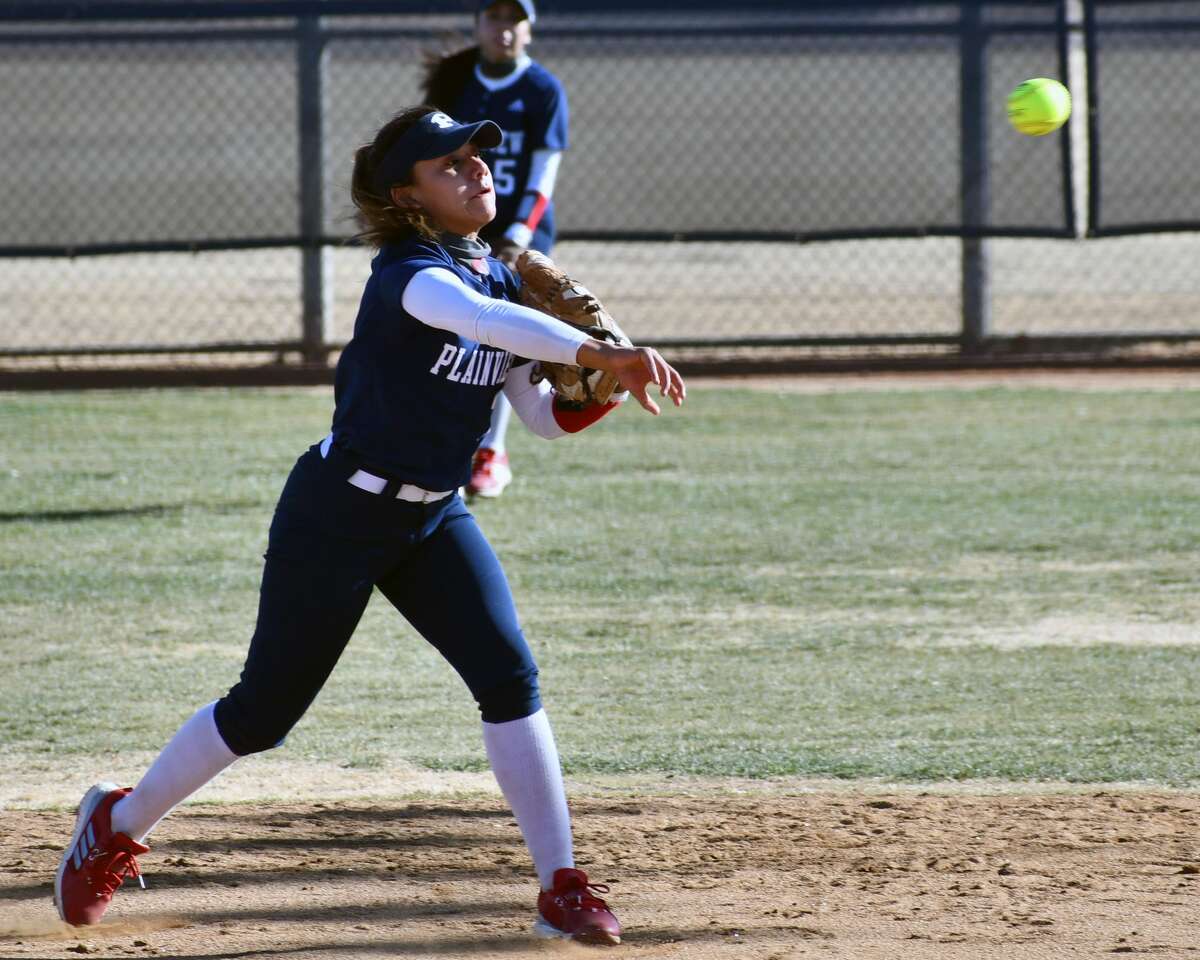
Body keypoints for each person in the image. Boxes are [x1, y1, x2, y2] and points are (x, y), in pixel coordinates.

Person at [52, 106, 685, 945]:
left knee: (510, 678)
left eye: (476, 156)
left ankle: (560, 885)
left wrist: (596, 387)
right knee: (262, 714)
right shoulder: (410, 275)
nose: (475, 169)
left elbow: (536, 417)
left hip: (433, 518)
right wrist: (598, 352)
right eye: (448, 163)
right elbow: (482, 326)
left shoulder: (500, 277)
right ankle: (115, 825)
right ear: (408, 196)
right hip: (338, 513)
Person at [423, 0, 567, 499]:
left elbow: (543, 176)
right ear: (478, 25)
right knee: (455, 334)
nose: (504, 29)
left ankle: (491, 451)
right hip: (459, 227)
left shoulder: (542, 89)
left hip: (517, 233)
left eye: (515, 18)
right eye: (495, 17)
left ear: (530, 29)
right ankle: (450, 449)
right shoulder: (459, 82)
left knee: (509, 338)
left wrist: (518, 238)